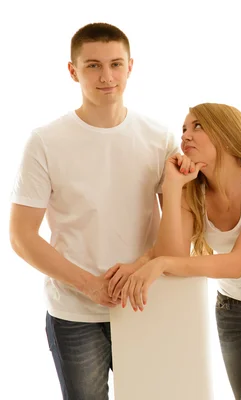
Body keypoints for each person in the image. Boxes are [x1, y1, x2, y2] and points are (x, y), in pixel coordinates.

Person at [8, 22, 179, 399]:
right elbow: (21, 236)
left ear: (131, 67)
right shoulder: (45, 141)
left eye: (116, 64)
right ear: (73, 71)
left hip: (146, 305)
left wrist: (140, 268)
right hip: (74, 312)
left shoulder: (160, 137)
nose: (107, 76)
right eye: (93, 66)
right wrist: (90, 285)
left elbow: (178, 233)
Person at [106, 102, 241, 400]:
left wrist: (157, 262)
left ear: (227, 133)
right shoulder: (192, 190)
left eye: (197, 127)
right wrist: (172, 188)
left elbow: (238, 263)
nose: (185, 136)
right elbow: (174, 256)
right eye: (183, 129)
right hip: (233, 310)